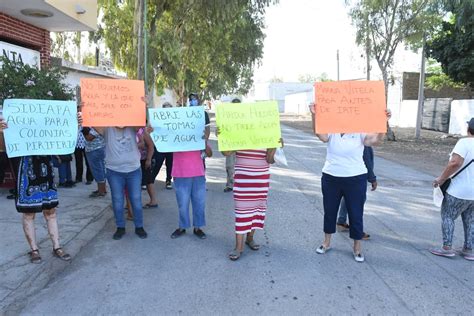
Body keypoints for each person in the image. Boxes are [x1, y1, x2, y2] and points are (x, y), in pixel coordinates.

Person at [315, 109, 391, 263]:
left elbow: (374, 141)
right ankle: (326, 242)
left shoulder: (360, 130)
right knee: (330, 211)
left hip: (355, 179)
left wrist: (384, 123)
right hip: (331, 177)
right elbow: (321, 136)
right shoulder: (332, 129)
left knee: (356, 213)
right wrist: (314, 114)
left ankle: (357, 247)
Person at [0, 117, 73, 264]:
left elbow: (64, 136)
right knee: (28, 213)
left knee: (51, 211)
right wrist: (1, 131)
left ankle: (57, 246)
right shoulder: (13, 126)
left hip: (46, 169)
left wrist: (74, 122)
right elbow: (3, 147)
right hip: (25, 170)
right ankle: (34, 249)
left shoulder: (45, 124)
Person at [223, 141, 282, 261]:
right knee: (241, 212)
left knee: (256, 210)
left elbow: (270, 160)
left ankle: (250, 238)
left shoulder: (267, 130)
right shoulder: (240, 128)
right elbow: (226, 152)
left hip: (260, 179)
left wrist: (275, 145)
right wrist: (223, 137)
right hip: (243, 179)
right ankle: (238, 247)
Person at [92, 126, 148, 240]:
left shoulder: (133, 125)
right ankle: (120, 227)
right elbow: (94, 124)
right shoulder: (107, 127)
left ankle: (139, 226)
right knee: (117, 200)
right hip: (114, 171)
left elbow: (139, 125)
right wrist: (84, 116)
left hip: (134, 170)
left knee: (136, 199)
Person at [431, 118, 474, 261]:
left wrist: (441, 178)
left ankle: (447, 248)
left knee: (448, 216)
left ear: (469, 129)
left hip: (459, 190)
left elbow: (455, 163)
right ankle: (469, 249)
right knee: (471, 220)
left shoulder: (464, 143)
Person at [336, 146, 377, 240]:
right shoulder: (364, 139)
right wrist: (372, 179)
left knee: (347, 197)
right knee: (357, 203)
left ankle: (341, 222)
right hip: (358, 176)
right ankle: (356, 231)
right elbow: (367, 161)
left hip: (347, 173)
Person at [153, 102, 174, 190]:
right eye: (165, 109)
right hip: (160, 146)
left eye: (169, 109)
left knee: (170, 164)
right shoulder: (158, 120)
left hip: (170, 147)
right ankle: (151, 180)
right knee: (157, 163)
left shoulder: (174, 121)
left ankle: (168, 180)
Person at [136, 126, 158, 208]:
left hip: (144, 159)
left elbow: (151, 146)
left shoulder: (142, 131)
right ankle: (131, 203)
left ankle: (153, 201)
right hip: (134, 160)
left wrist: (148, 159)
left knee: (148, 180)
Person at [83, 127, 107, 198]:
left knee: (97, 170)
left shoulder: (95, 125)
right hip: (97, 149)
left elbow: (89, 137)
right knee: (101, 169)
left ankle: (101, 191)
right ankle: (102, 189)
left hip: (94, 149)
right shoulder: (97, 123)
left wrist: (84, 131)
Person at [223, 98, 241, 193]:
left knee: (241, 166)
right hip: (230, 144)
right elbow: (221, 131)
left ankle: (240, 184)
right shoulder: (226, 118)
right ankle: (230, 184)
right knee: (229, 166)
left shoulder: (245, 118)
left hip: (242, 145)